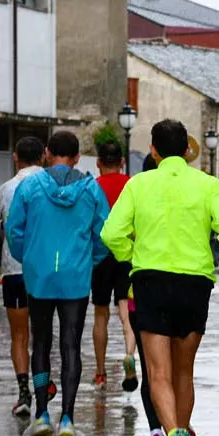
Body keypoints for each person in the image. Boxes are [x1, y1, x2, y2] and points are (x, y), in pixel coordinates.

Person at [101, 119, 219, 436]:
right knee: (184, 371)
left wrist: (131, 256)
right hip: (195, 282)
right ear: (187, 150)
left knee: (158, 372)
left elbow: (110, 233)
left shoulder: (139, 184)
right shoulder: (207, 185)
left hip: (150, 280)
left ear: (153, 150)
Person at [6, 130, 110, 436]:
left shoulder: (29, 186)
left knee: (41, 344)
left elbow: (13, 230)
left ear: (48, 153)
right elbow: (104, 234)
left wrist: (31, 257)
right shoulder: (91, 189)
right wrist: (87, 260)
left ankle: (40, 414)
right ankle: (68, 418)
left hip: (39, 278)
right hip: (76, 278)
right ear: (78, 157)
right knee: (71, 346)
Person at [0, 136, 45, 419]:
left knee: (19, 335)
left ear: (16, 158)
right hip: (46, 272)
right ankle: (43, 392)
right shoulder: (52, 187)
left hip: (14, 270)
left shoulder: (5, 190)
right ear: (44, 156)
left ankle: (23, 391)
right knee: (43, 335)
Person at [91, 141, 138, 392]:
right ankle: (129, 354)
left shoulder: (93, 187)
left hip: (100, 256)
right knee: (126, 311)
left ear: (99, 163)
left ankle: (100, 373)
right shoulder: (132, 185)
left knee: (101, 314)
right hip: (127, 254)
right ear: (122, 162)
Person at [128, 154, 166, 436]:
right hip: (186, 287)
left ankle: (156, 432)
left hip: (140, 290)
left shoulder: (137, 193)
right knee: (179, 371)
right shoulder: (185, 195)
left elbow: (112, 236)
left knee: (152, 370)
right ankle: (178, 425)